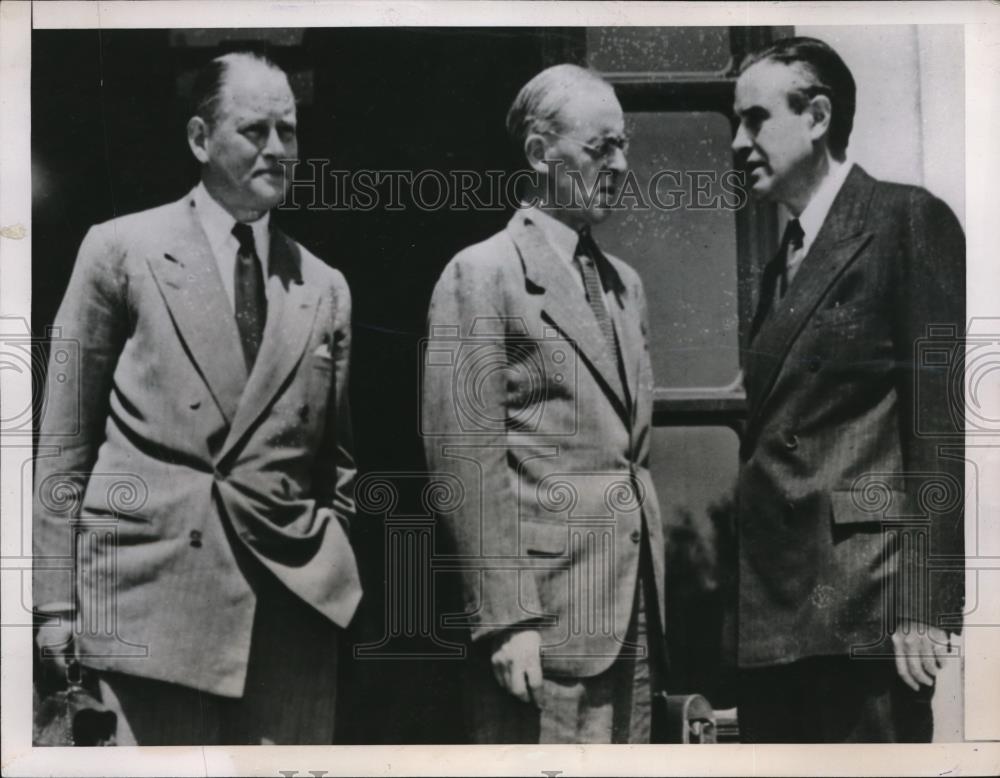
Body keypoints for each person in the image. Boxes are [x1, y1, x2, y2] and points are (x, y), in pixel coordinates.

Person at [32, 51, 361, 745]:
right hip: (151, 608)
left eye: (289, 131)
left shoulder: (324, 284)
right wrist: (54, 603)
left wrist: (329, 549)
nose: (277, 149)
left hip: (286, 617)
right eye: (254, 131)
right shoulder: (121, 251)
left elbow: (340, 462)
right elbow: (63, 441)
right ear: (199, 139)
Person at [422, 64, 666, 743]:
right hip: (542, 631)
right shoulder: (482, 274)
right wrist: (507, 620)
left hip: (633, 621)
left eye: (624, 145)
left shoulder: (626, 287)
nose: (620, 164)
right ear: (538, 153)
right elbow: (464, 460)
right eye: (600, 148)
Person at [731, 36, 965, 742]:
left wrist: (924, 602)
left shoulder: (904, 221)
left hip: (865, 602)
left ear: (818, 116)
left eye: (755, 120)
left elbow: (939, 427)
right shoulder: (780, 264)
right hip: (773, 610)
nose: (739, 143)